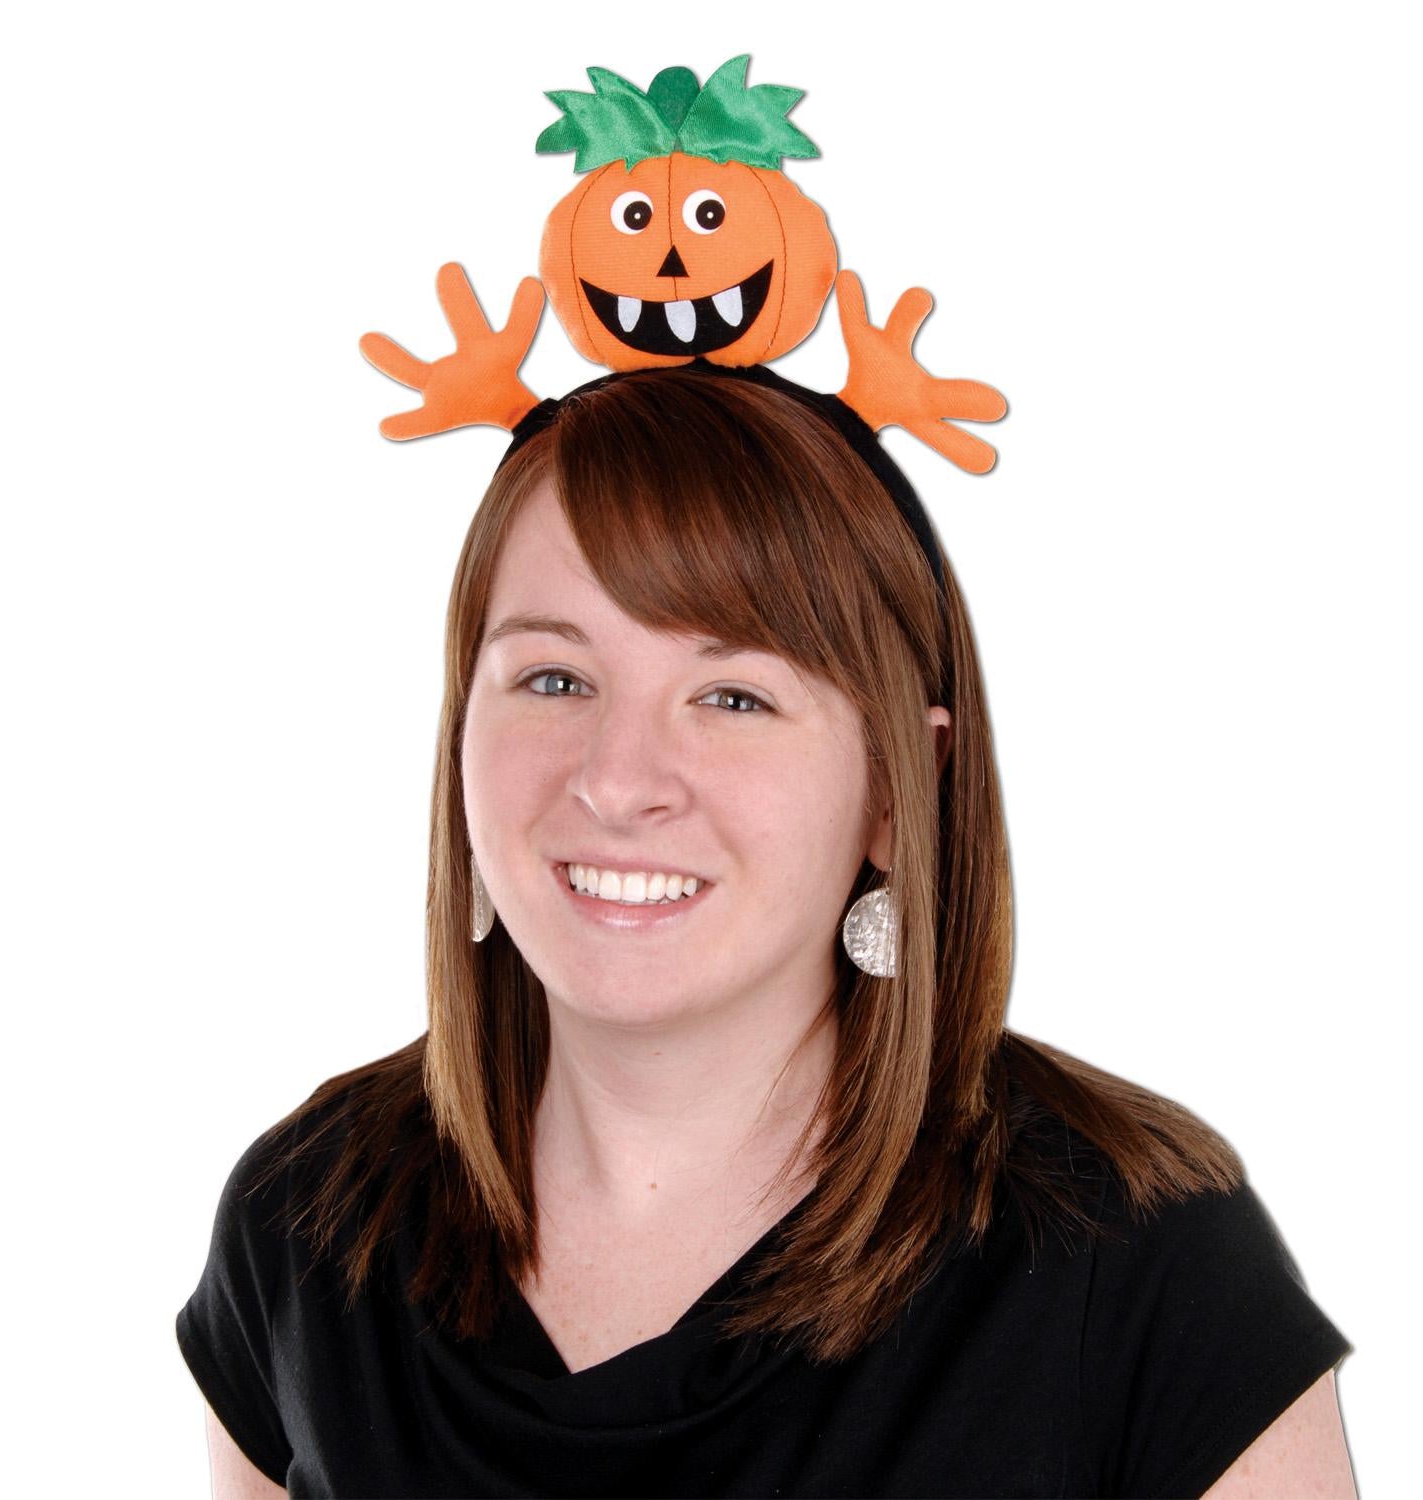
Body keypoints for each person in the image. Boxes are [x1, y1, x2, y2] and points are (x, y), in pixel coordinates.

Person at [176, 364, 1357, 1498]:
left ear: (897, 789)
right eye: (554, 679)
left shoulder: (1142, 1264)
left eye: (733, 696)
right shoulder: (301, 1227)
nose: (618, 781)